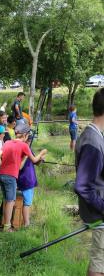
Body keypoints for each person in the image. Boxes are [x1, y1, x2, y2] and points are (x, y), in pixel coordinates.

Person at [74, 88, 104, 276]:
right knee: (99, 263)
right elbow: (83, 185)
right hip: (99, 214)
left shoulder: (94, 134)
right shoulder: (93, 141)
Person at [0, 124, 47, 232]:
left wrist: (3, 167)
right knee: (11, 201)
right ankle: (7, 226)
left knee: (6, 200)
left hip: (1, 175)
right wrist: (42, 153)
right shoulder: (24, 146)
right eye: (28, 135)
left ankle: (4, 223)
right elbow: (34, 160)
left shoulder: (7, 142)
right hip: (12, 177)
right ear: (25, 135)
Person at [17, 135, 46, 226]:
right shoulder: (23, 149)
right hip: (26, 179)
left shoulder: (28, 148)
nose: (29, 142)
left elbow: (36, 162)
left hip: (29, 179)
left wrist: (40, 159)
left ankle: (25, 220)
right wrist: (41, 153)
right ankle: (26, 224)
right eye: (28, 140)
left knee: (27, 201)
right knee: (27, 202)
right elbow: (33, 160)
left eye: (30, 140)